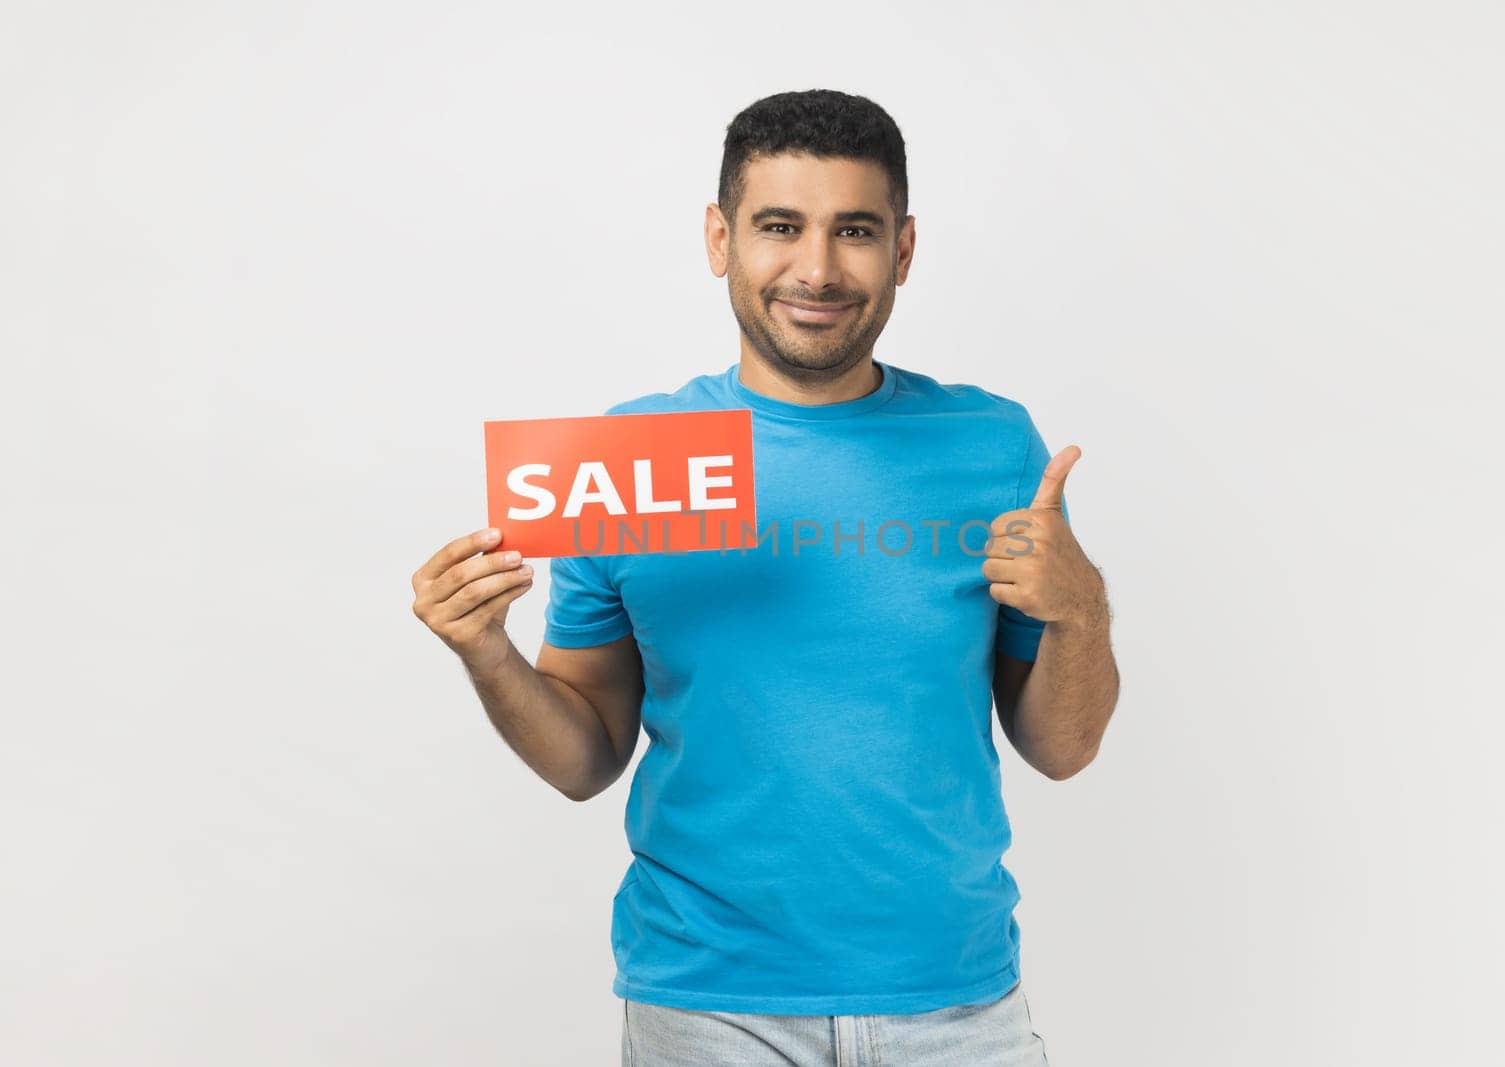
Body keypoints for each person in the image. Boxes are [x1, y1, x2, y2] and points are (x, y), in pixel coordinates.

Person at [411, 89, 1119, 1066]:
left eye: (855, 230)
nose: (817, 268)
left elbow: (1064, 746)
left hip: (955, 1003)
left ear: (903, 249)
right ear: (719, 237)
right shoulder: (623, 462)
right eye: (779, 226)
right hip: (710, 1008)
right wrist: (486, 652)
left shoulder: (990, 445)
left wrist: (1081, 610)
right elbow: (584, 755)